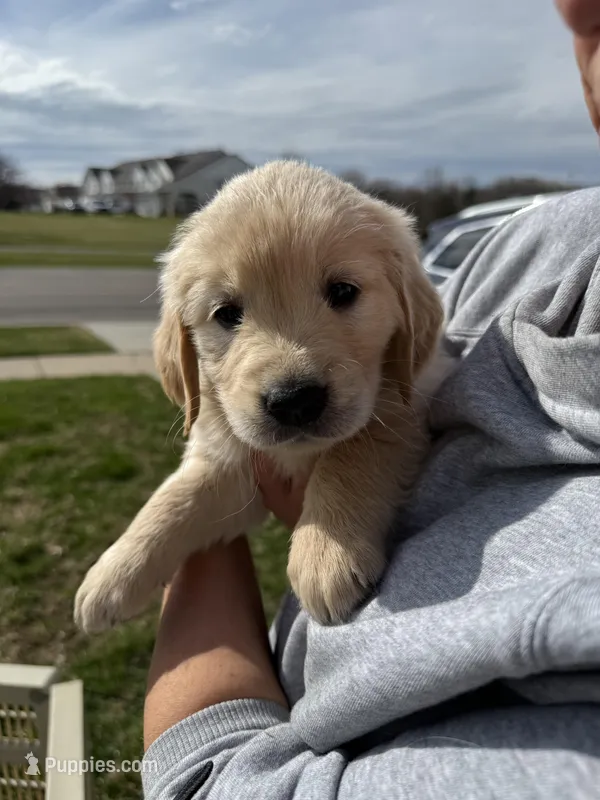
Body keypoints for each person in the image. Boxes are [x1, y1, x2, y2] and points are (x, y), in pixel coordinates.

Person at [142, 2, 600, 796]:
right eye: (226, 315)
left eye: (340, 291)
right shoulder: (533, 243)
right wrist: (199, 491)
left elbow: (206, 780)